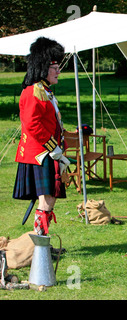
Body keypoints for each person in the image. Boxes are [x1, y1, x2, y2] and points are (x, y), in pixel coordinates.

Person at [13, 37, 70, 236]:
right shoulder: (32, 92)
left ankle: (41, 243)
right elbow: (32, 124)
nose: (58, 71)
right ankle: (40, 245)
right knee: (46, 198)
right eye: (55, 66)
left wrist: (59, 150)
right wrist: (53, 148)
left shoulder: (45, 91)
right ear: (44, 67)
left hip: (48, 152)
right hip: (40, 154)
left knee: (50, 198)